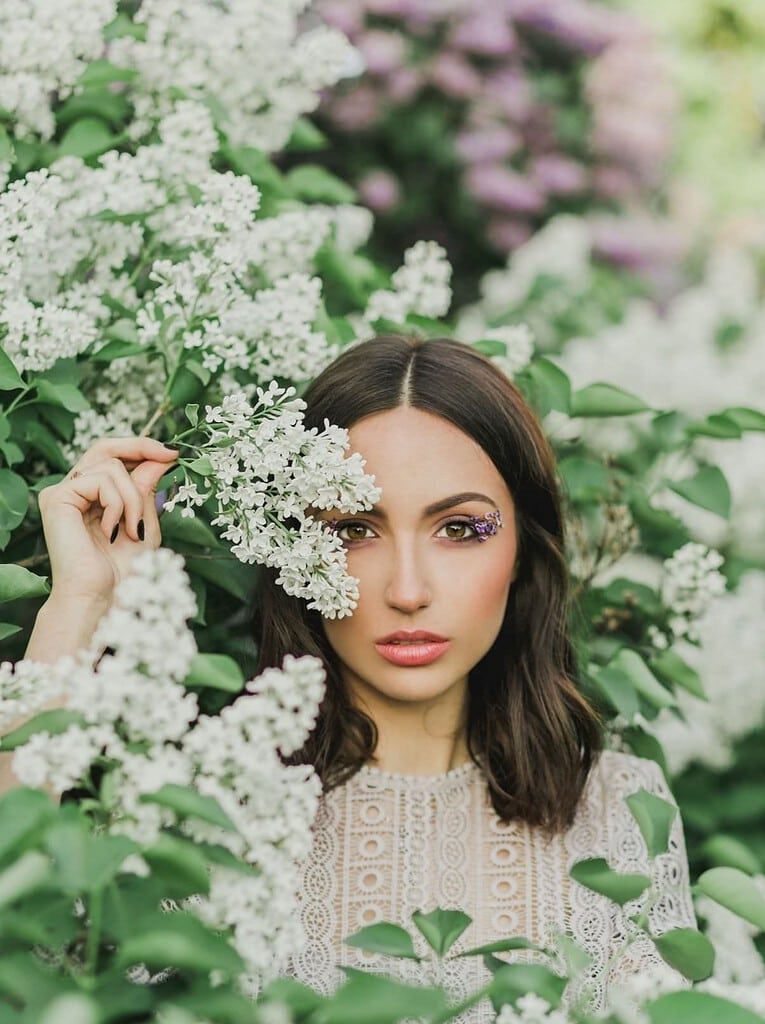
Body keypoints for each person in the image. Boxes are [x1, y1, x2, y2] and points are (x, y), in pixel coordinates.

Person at [8, 335, 695, 1019]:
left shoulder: (621, 809)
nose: (406, 589)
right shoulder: (190, 810)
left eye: (458, 529)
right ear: (294, 548)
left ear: (522, 547)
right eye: (351, 530)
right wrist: (80, 607)